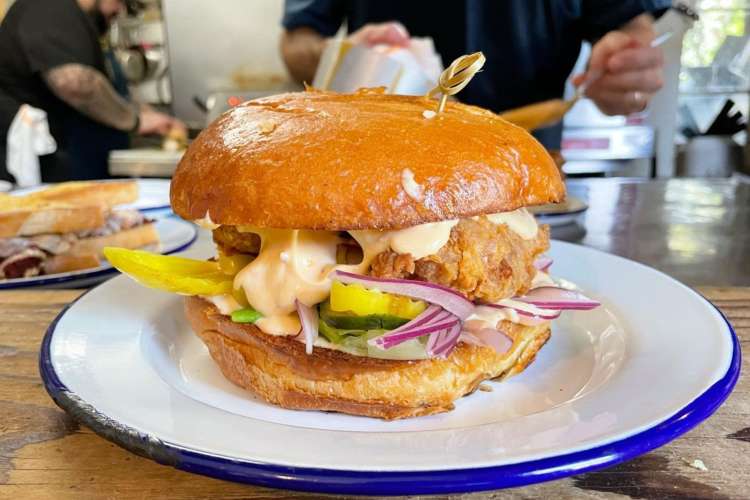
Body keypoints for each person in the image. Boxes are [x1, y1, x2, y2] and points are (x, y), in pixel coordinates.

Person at [280, 0, 670, 149]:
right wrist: (343, 57)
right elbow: (296, 40)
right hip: (378, 156)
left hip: (527, 160)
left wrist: (626, 63)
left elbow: (631, 21)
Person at [0, 0, 184, 183]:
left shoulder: (75, 20)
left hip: (84, 169)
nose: (120, 9)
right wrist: (135, 120)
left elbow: (101, 87)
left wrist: (140, 112)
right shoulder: (48, 7)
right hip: (55, 175)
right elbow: (73, 83)